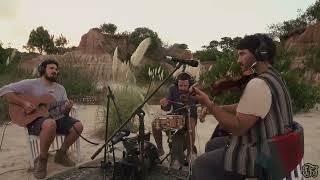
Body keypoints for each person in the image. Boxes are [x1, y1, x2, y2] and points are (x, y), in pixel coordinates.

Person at [190, 34, 296, 180]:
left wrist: (210, 104)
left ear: (260, 53)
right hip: (276, 149)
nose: (238, 60)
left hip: (264, 157)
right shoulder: (273, 77)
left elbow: (237, 127)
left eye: (242, 54)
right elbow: (246, 107)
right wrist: (218, 108)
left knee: (200, 165)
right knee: (213, 145)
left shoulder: (258, 84)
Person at [0, 59, 84, 179]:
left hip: (57, 118)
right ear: (42, 69)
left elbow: (64, 113)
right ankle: (42, 159)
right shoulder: (31, 83)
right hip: (37, 120)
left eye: (56, 69)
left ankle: (61, 154)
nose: (54, 71)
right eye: (51, 68)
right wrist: (24, 104)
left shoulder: (61, 89)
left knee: (78, 126)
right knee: (50, 124)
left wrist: (67, 108)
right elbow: (4, 90)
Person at [152, 72, 199, 166]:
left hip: (190, 117)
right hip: (176, 116)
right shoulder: (172, 89)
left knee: (190, 125)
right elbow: (167, 108)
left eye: (185, 85)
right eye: (180, 85)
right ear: (177, 83)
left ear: (190, 84)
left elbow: (200, 104)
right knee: (155, 123)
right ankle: (160, 151)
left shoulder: (194, 90)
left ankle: (190, 154)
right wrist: (164, 104)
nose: (182, 87)